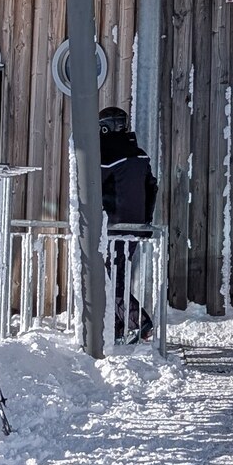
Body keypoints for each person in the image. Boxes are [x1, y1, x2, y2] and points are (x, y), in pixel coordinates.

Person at [98, 105, 159, 343]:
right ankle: (117, 326)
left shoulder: (107, 155)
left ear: (105, 127)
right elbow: (151, 186)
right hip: (135, 226)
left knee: (109, 278)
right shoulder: (139, 153)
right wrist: (146, 219)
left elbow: (94, 185)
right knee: (118, 275)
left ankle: (139, 322)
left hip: (113, 225)